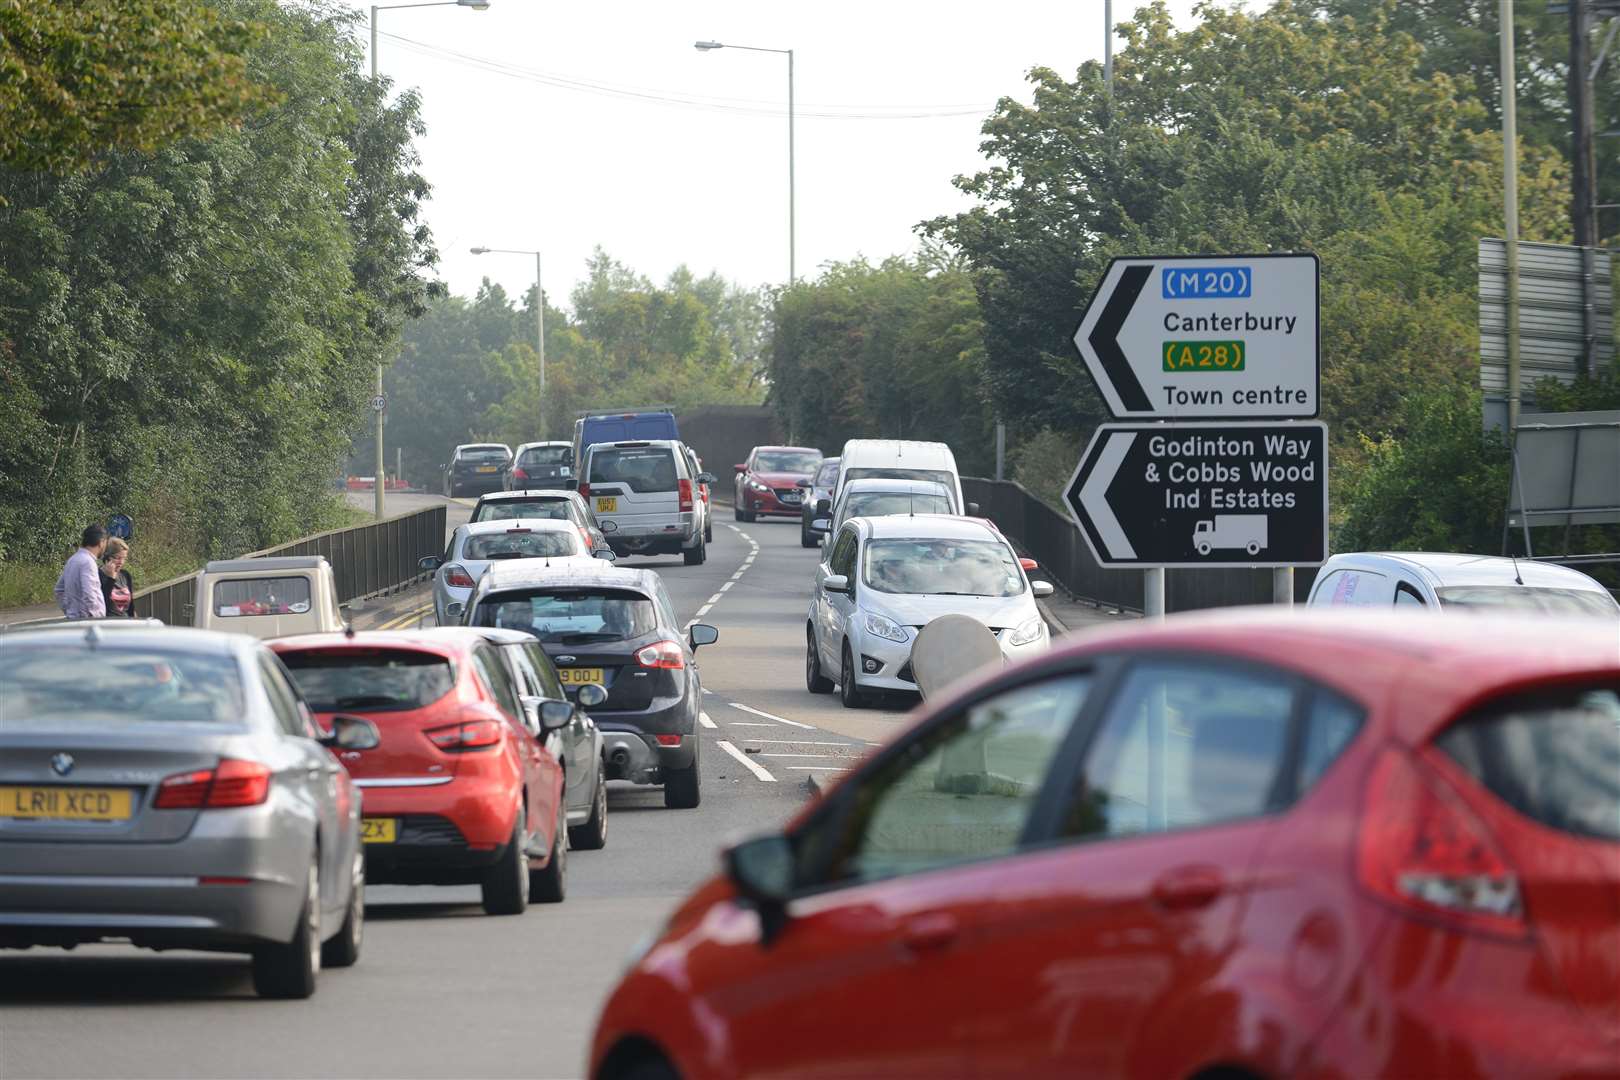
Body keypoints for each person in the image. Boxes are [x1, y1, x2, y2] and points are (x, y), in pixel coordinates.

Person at [53, 524, 108, 619]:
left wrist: (70, 611)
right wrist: (96, 617)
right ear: (101, 542)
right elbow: (89, 593)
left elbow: (59, 590)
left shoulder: (72, 560)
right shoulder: (88, 563)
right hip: (88, 622)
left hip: (74, 619)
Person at [99, 538, 135, 618]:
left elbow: (131, 607)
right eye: (118, 558)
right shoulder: (98, 576)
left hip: (126, 623)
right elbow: (102, 603)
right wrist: (110, 579)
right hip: (109, 624)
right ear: (107, 557)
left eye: (124, 558)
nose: (121, 562)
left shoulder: (125, 575)